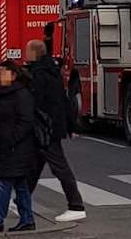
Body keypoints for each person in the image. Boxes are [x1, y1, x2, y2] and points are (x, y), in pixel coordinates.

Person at [24, 39, 86, 222]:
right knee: (33, 168)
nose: (25, 54)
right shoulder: (52, 72)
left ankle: (76, 206)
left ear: (34, 53)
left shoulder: (38, 75)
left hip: (44, 129)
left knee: (60, 168)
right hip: (51, 127)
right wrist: (72, 125)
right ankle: (21, 201)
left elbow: (35, 103)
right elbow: (63, 100)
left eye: (27, 51)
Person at [0, 60, 37, 234]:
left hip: (16, 148)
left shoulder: (20, 94)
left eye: (3, 73)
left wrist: (12, 140)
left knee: (4, 185)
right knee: (20, 185)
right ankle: (27, 219)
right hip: (7, 146)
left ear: (13, 75)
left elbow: (26, 120)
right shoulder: (3, 93)